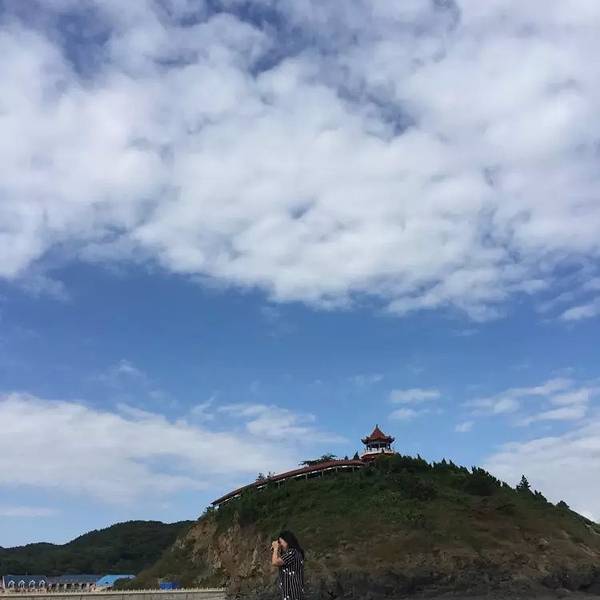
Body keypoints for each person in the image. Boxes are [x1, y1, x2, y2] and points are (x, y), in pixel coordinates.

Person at [271, 530, 305, 600]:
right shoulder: (293, 553)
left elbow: (275, 562)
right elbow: (279, 560)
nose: (280, 544)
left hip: (292, 593)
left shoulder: (292, 553)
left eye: (281, 542)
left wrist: (276, 548)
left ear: (287, 541)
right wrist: (276, 549)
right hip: (291, 593)